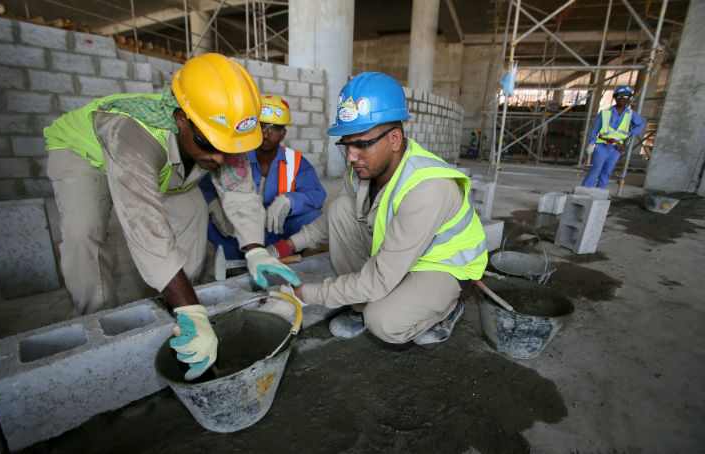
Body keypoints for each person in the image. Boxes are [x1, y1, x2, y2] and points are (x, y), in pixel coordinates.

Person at [43, 53, 300, 380]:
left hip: (166, 166)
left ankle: (177, 304)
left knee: (192, 208)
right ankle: (99, 323)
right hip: (84, 155)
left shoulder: (216, 133)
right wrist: (192, 308)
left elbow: (238, 191)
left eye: (228, 146)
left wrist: (255, 248)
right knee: (85, 233)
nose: (220, 156)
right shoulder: (132, 133)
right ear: (181, 118)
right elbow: (144, 224)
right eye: (209, 143)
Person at [268, 72, 488, 345]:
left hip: (440, 264)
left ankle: (446, 309)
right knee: (341, 209)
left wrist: (300, 295)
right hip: (402, 255)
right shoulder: (362, 168)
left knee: (383, 322)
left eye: (361, 144)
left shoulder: (428, 188)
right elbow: (331, 222)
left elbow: (380, 278)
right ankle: (361, 306)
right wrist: (284, 247)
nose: (351, 156)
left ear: (395, 139)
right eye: (346, 145)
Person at [198, 94, 326, 260]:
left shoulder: (296, 161)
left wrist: (290, 201)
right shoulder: (235, 156)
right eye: (262, 126)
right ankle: (233, 264)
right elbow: (205, 186)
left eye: (274, 128)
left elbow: (317, 194)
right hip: (238, 231)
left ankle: (284, 253)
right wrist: (213, 204)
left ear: (283, 134)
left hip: (278, 229)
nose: (266, 134)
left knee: (315, 217)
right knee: (202, 213)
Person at [582, 86, 645, 187]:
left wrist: (629, 133)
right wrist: (591, 143)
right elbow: (595, 129)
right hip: (602, 145)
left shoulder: (630, 115)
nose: (622, 98)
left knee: (607, 171)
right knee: (595, 169)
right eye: (619, 96)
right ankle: (585, 190)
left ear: (629, 98)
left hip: (616, 148)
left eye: (625, 96)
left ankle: (600, 191)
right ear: (615, 97)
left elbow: (641, 124)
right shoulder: (605, 113)